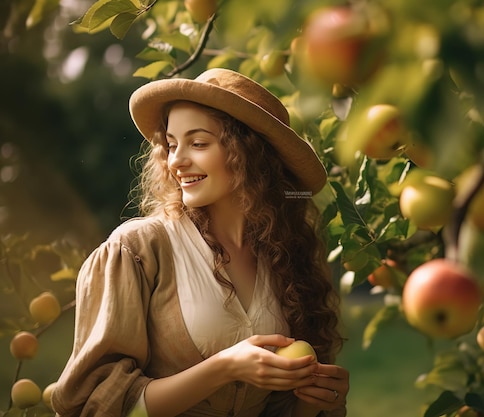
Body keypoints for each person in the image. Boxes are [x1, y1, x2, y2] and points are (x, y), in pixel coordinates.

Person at [51, 68, 349, 417]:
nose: (176, 160)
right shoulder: (138, 249)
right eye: (172, 144)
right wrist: (225, 367)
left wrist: (314, 401)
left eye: (198, 143)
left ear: (250, 155)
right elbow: (94, 406)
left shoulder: (286, 258)